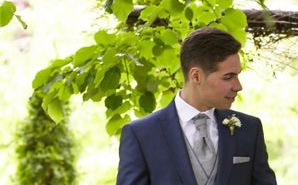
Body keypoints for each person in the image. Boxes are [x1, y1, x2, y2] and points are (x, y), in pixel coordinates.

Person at [117, 26, 277, 185]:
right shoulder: (141, 134)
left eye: (237, 76)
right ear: (196, 76)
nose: (238, 86)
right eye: (228, 77)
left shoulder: (249, 129)